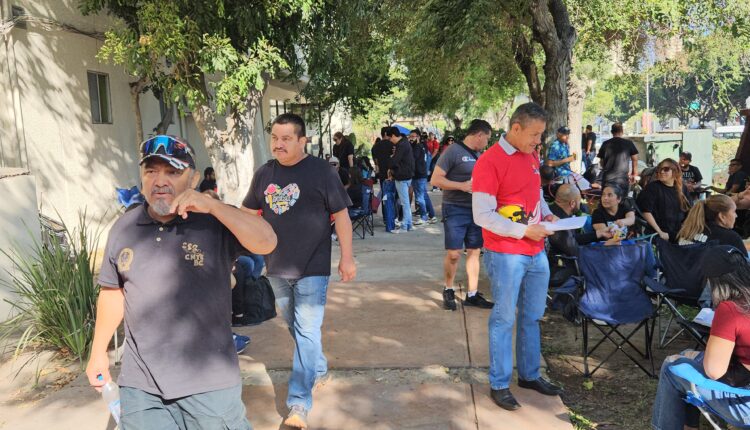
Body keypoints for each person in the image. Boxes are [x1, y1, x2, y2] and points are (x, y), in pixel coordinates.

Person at [85, 135, 277, 429]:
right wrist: (98, 353)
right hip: (141, 386)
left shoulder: (214, 221)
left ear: (194, 177)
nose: (160, 181)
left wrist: (213, 206)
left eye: (172, 171)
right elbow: (113, 292)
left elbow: (266, 241)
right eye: (151, 171)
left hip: (209, 382)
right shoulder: (125, 227)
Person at [242, 113, 356, 429]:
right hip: (276, 266)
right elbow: (247, 214)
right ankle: (317, 366)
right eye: (275, 138)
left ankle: (298, 405)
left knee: (306, 329)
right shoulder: (264, 174)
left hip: (313, 266)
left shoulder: (322, 172)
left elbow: (342, 216)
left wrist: (347, 257)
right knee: (294, 326)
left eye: (286, 139)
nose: (278, 144)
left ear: (302, 140)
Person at [472, 102, 563, 411]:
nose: (538, 141)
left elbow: (535, 194)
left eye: (541, 135)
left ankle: (529, 375)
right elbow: (482, 215)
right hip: (506, 253)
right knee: (504, 317)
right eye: (534, 134)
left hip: (536, 251)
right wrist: (524, 232)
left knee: (532, 316)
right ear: (515, 128)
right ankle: (499, 383)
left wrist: (547, 215)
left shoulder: (531, 155)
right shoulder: (489, 161)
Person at [651, 246, 750, 430]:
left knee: (672, 367)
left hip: (744, 404)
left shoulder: (731, 309)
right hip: (744, 376)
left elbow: (714, 371)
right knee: (687, 355)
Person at [431, 119, 495, 311]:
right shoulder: (452, 152)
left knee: (475, 252)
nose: (487, 143)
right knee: (454, 254)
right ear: (479, 135)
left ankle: (472, 294)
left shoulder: (481, 155)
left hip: (476, 209)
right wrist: (461, 186)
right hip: (455, 209)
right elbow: (435, 179)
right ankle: (448, 289)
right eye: (487, 139)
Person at [547, 185, 615, 281]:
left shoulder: (549, 211)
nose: (581, 204)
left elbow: (572, 238)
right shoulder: (561, 223)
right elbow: (575, 251)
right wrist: (604, 247)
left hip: (555, 261)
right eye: (580, 201)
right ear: (573, 203)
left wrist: (598, 233)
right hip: (558, 268)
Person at [638, 158, 690, 242]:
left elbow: (689, 211)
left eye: (666, 169)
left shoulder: (682, 188)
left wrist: (685, 229)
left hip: (678, 234)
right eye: (659, 169)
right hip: (659, 235)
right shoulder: (652, 187)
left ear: (675, 171)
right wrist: (659, 232)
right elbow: (646, 211)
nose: (661, 172)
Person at [675, 194, 745, 252]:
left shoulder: (686, 230)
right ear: (722, 216)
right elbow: (744, 267)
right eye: (734, 211)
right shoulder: (731, 238)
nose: (736, 215)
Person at [386, 126, 415, 232]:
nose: (390, 141)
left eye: (389, 138)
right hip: (407, 175)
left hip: (402, 176)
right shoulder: (405, 143)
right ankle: (409, 224)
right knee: (406, 202)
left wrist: (389, 164)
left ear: (393, 135)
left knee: (405, 203)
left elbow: (394, 161)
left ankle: (404, 226)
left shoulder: (401, 145)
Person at [597, 122, 638, 190]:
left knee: (607, 199)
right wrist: (634, 174)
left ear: (611, 132)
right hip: (622, 179)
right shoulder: (629, 143)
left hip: (608, 178)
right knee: (622, 199)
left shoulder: (605, 144)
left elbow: (601, 162)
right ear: (622, 131)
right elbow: (635, 159)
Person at [409, 129, 437, 225]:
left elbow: (412, 159)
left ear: (418, 137)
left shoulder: (417, 147)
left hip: (418, 175)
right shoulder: (422, 146)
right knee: (424, 196)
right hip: (422, 174)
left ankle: (423, 217)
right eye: (410, 136)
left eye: (413, 136)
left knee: (420, 197)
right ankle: (432, 216)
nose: (411, 138)